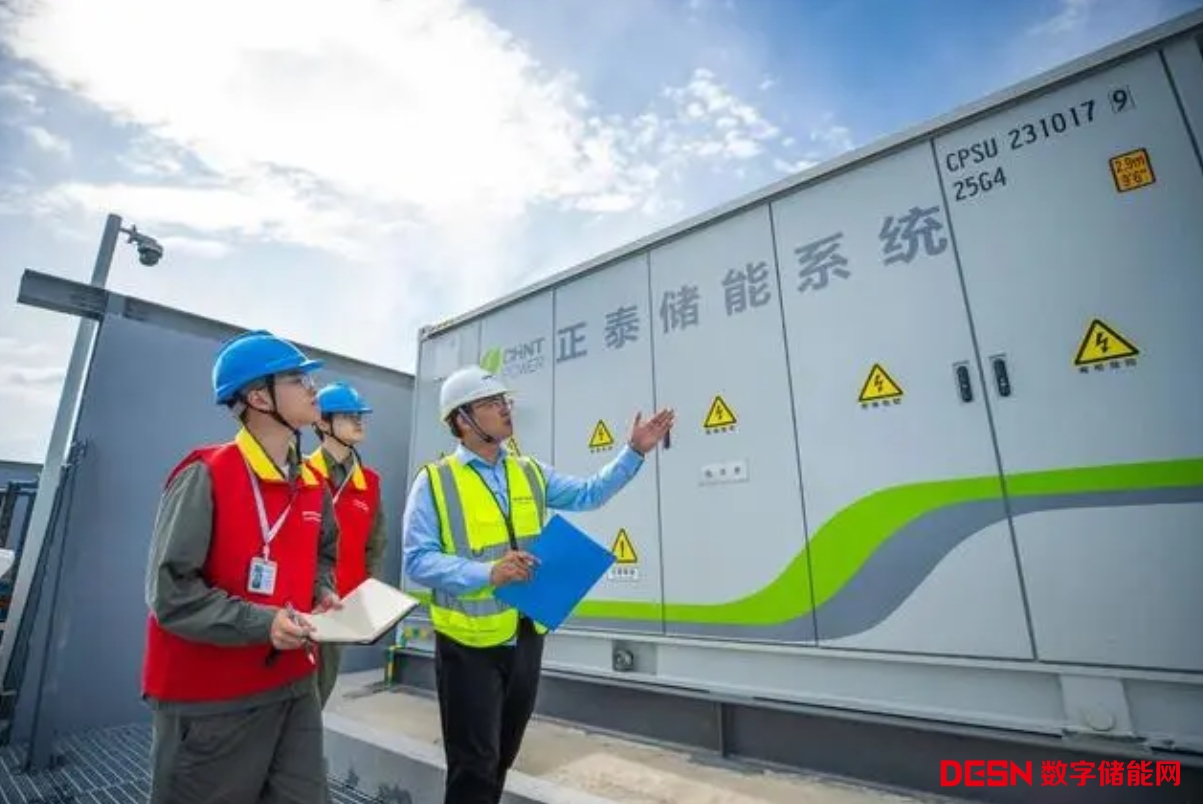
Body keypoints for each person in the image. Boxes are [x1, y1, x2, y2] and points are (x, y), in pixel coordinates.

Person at [402, 365, 674, 804]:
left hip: (527, 633)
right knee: (474, 764)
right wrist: (488, 573)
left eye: (504, 401)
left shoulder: (529, 472)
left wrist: (634, 452)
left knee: (502, 754)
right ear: (462, 419)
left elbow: (589, 493)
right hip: (468, 645)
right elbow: (417, 559)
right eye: (492, 403)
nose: (505, 409)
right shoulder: (435, 481)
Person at [141, 329, 343, 804]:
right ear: (258, 397)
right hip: (212, 701)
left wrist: (322, 589)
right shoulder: (206, 473)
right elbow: (170, 593)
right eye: (297, 379)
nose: (312, 387)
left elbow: (323, 554)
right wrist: (262, 623)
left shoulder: (312, 484)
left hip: (294, 687)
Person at [306, 381, 388, 707]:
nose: (358, 421)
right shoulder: (302, 473)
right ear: (323, 423)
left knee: (320, 692)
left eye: (359, 415)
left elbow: (375, 544)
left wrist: (366, 596)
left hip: (340, 605)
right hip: (300, 602)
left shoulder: (369, 483)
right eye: (347, 415)